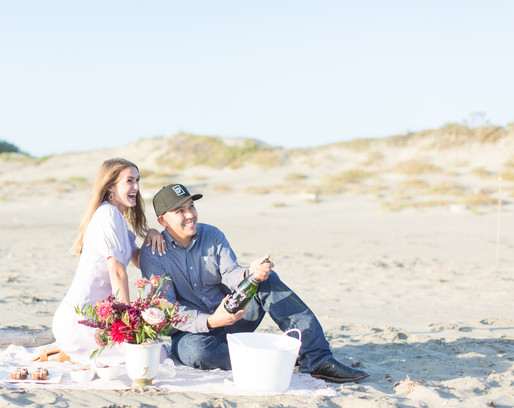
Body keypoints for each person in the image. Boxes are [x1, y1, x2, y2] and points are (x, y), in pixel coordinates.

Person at [139, 184, 369, 383]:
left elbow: (230, 272)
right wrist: (210, 321)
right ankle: (283, 357)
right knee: (197, 353)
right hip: (194, 333)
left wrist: (252, 273)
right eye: (180, 210)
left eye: (191, 206)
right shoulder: (152, 255)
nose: (190, 214)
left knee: (266, 280)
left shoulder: (212, 235)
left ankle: (318, 359)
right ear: (162, 220)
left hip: (235, 315)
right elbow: (167, 308)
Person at [49, 158, 166, 365]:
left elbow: (140, 261)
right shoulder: (108, 215)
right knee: (155, 356)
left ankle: (74, 353)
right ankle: (72, 352)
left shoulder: (117, 219)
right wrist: (127, 324)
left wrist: (153, 233)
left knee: (155, 351)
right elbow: (117, 272)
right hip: (79, 323)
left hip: (96, 320)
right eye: (129, 181)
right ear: (111, 186)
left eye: (138, 180)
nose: (136, 187)